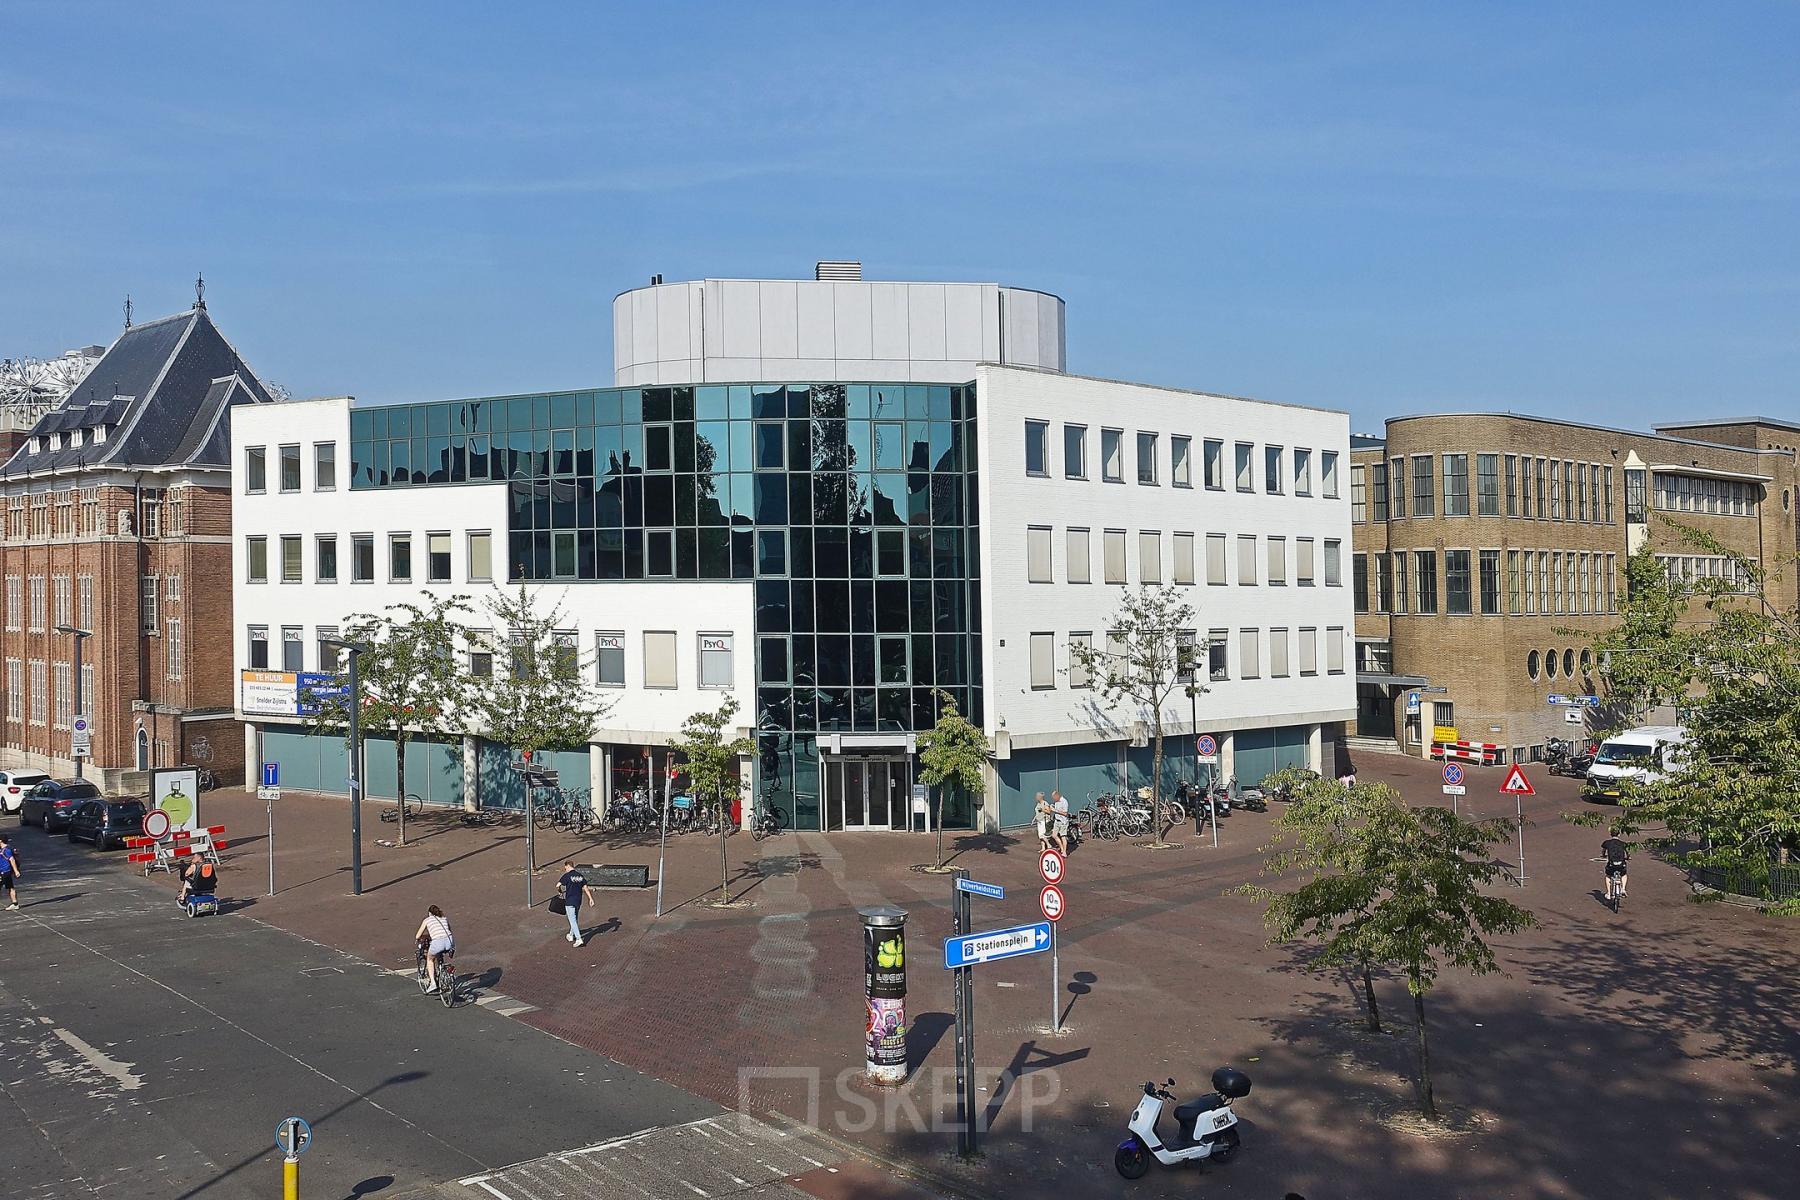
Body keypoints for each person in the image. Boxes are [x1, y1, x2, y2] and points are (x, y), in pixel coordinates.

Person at [414, 904, 454, 992]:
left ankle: (433, 983)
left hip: (438, 942)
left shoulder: (427, 920)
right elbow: (449, 931)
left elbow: (418, 935)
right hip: (449, 941)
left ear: (430, 913)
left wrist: (418, 939)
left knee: (430, 959)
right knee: (440, 953)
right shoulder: (444, 918)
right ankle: (443, 972)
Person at [556, 860, 597, 947]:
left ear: (567, 866)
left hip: (570, 900)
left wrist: (560, 891)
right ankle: (571, 935)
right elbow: (585, 887)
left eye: (565, 867)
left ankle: (579, 939)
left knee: (572, 920)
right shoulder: (580, 876)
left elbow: (558, 885)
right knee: (574, 918)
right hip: (578, 900)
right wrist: (590, 898)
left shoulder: (567, 876)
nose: (565, 869)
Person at [1601, 836, 1630, 906]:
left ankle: (1609, 893)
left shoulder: (1607, 842)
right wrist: (1628, 857)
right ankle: (1623, 889)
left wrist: (1603, 855)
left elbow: (1603, 851)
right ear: (1619, 834)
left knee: (1608, 875)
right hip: (1621, 863)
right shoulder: (1623, 843)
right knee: (1624, 874)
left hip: (1612, 864)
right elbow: (1627, 852)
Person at [1, 834, 20, 910]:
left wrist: (16, 871)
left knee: (10, 887)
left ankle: (15, 904)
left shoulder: (7, 850)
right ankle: (15, 904)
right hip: (4, 872)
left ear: (0, 840)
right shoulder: (2, 849)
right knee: (10, 887)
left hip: (5, 871)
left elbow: (12, 860)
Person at [1051, 791, 1070, 856]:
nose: (1053, 799)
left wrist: (1054, 810)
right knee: (1054, 835)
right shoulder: (1056, 801)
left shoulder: (1064, 801)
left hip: (1063, 822)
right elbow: (1057, 809)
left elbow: (1065, 813)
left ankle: (1064, 852)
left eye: (1054, 797)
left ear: (1057, 796)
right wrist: (1053, 806)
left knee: (1063, 836)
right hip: (1057, 821)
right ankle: (1062, 848)